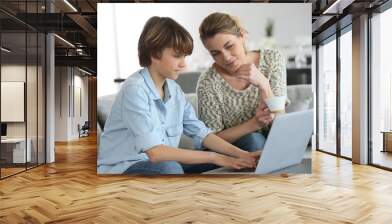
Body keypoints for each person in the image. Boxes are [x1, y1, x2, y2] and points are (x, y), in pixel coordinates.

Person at [98, 16, 260, 175]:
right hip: (125, 168)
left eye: (184, 57)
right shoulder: (135, 89)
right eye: (177, 56)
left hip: (166, 165)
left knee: (237, 162)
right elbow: (156, 153)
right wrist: (216, 157)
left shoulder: (174, 90)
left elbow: (202, 134)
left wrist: (242, 154)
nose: (184, 64)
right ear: (154, 54)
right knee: (171, 169)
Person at [197, 12, 289, 152]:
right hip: (231, 151)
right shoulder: (208, 82)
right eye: (216, 53)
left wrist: (264, 84)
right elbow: (210, 141)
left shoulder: (272, 60)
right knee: (253, 140)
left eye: (229, 46)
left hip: (273, 144)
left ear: (242, 36)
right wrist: (254, 124)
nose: (226, 57)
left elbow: (282, 126)